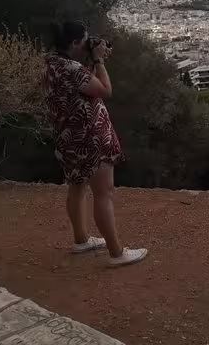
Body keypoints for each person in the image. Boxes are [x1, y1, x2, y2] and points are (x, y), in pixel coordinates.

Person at [43, 21, 148, 267]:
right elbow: (105, 90)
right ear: (74, 44)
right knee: (104, 193)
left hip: (67, 136)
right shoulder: (73, 69)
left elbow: (76, 88)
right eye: (84, 40)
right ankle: (116, 252)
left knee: (77, 185)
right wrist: (99, 61)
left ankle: (81, 239)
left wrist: (90, 59)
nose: (88, 43)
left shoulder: (51, 63)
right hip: (90, 137)